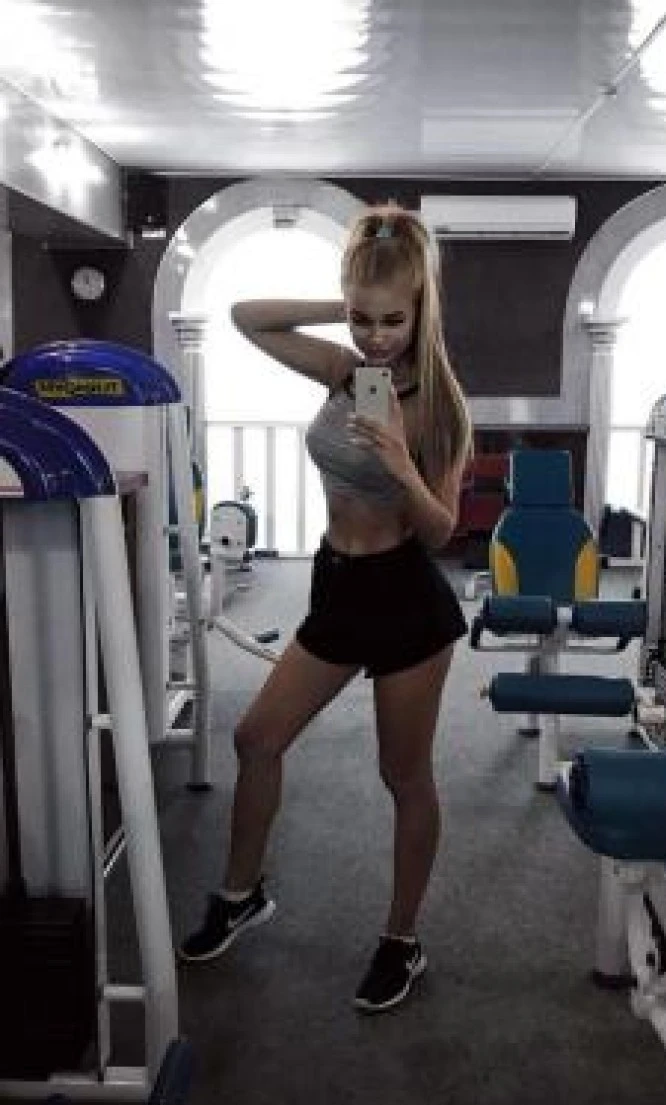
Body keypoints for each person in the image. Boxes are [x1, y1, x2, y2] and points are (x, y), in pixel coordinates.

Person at [179, 201, 472, 1013]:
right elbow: (246, 316)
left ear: (421, 310)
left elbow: (441, 531)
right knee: (256, 738)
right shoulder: (344, 370)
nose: (375, 337)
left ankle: (401, 940)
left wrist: (402, 465)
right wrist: (340, 304)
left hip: (406, 600)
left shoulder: (440, 404)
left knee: (401, 775)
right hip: (336, 585)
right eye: (362, 319)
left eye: (392, 320)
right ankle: (241, 894)